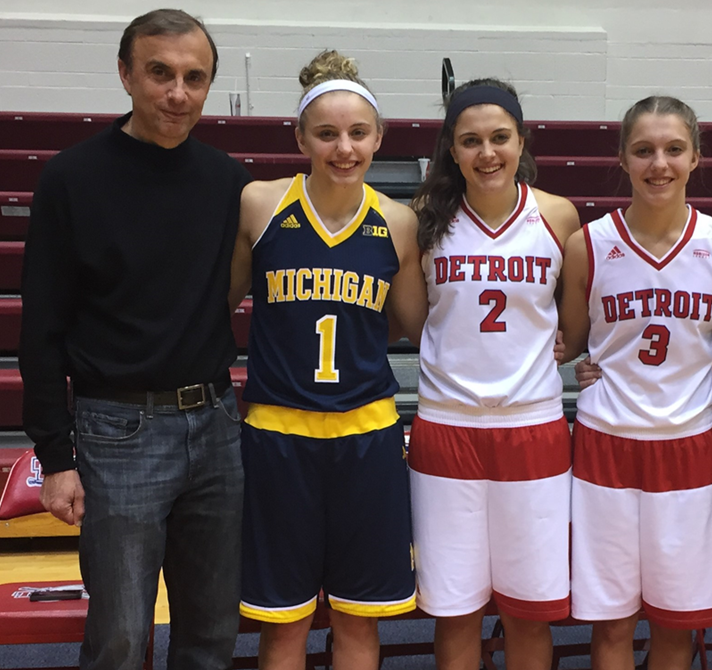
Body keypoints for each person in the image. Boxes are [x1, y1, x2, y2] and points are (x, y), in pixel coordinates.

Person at [19, 9, 250, 670]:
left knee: (212, 632)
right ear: (125, 74)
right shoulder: (72, 178)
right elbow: (40, 329)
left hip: (216, 425)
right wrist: (55, 454)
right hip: (116, 430)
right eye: (160, 74)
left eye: (194, 77)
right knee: (119, 635)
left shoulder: (231, 182)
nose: (178, 93)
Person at [227, 50, 428, 670]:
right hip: (277, 435)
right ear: (300, 137)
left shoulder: (397, 221)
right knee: (282, 626)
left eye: (358, 133)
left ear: (379, 138)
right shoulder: (260, 203)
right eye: (327, 134)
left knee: (357, 622)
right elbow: (222, 300)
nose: (344, 148)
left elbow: (410, 323)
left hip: (365, 436)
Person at [558, 95, 712, 670]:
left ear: (696, 157)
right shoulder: (586, 244)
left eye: (672, 150)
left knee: (675, 622)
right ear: (622, 158)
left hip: (689, 447)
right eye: (643, 150)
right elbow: (569, 340)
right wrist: (587, 367)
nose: (657, 164)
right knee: (612, 623)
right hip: (604, 447)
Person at [408, 79, 581, 670]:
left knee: (528, 612)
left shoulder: (557, 215)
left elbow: (577, 319)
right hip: (446, 428)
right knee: (455, 610)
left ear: (522, 140)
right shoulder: (424, 220)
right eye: (471, 141)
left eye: (499, 138)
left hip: (532, 427)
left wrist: (572, 343)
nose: (487, 153)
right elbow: (412, 321)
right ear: (451, 151)